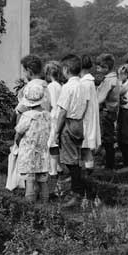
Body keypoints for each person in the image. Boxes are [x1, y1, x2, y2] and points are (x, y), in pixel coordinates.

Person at [55, 54, 87, 208]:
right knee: (76, 159)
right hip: (79, 122)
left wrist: (56, 132)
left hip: (69, 122)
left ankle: (77, 194)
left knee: (70, 161)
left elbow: (62, 112)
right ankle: (76, 190)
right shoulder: (83, 85)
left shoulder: (68, 87)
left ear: (66, 69)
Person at [14, 83, 52, 203]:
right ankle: (45, 203)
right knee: (43, 179)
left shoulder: (26, 116)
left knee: (29, 179)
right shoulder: (47, 115)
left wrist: (17, 142)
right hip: (43, 152)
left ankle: (30, 205)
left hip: (29, 153)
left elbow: (18, 132)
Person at [95, 53, 120, 170]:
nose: (97, 70)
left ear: (105, 67)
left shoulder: (108, 80)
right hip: (111, 111)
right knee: (109, 138)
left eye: (99, 67)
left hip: (106, 112)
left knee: (107, 139)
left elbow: (101, 98)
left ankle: (109, 166)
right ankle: (109, 164)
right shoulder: (114, 78)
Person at [45, 60, 64, 192]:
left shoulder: (51, 86)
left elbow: (52, 103)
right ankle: (58, 167)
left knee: (52, 144)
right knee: (54, 143)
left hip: (54, 115)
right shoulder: (60, 85)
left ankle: (53, 170)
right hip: (58, 114)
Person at [79, 55, 101, 174]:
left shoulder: (85, 83)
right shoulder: (89, 82)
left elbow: (85, 103)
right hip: (89, 117)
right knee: (85, 148)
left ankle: (88, 174)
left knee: (86, 147)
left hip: (85, 119)